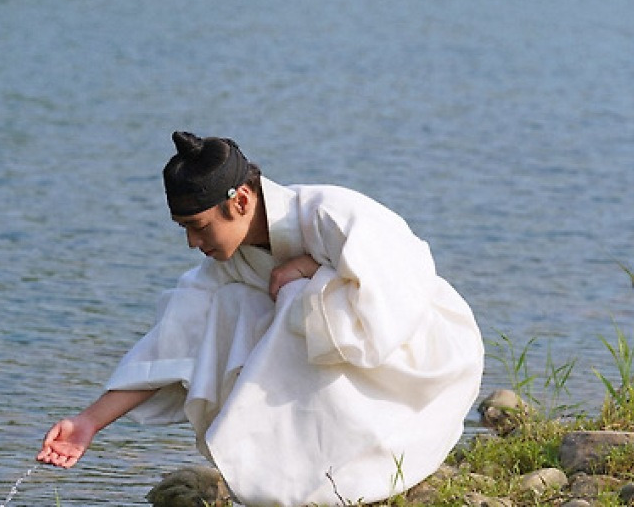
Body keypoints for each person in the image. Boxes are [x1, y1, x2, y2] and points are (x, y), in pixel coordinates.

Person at [37, 131, 484, 505]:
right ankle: (291, 476)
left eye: (199, 226)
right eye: (184, 228)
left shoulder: (333, 215)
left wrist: (311, 271)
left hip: (421, 362)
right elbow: (171, 341)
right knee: (226, 305)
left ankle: (352, 464)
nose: (192, 242)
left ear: (242, 200)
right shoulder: (228, 262)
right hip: (348, 359)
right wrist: (88, 422)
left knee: (294, 296)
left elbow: (395, 310)